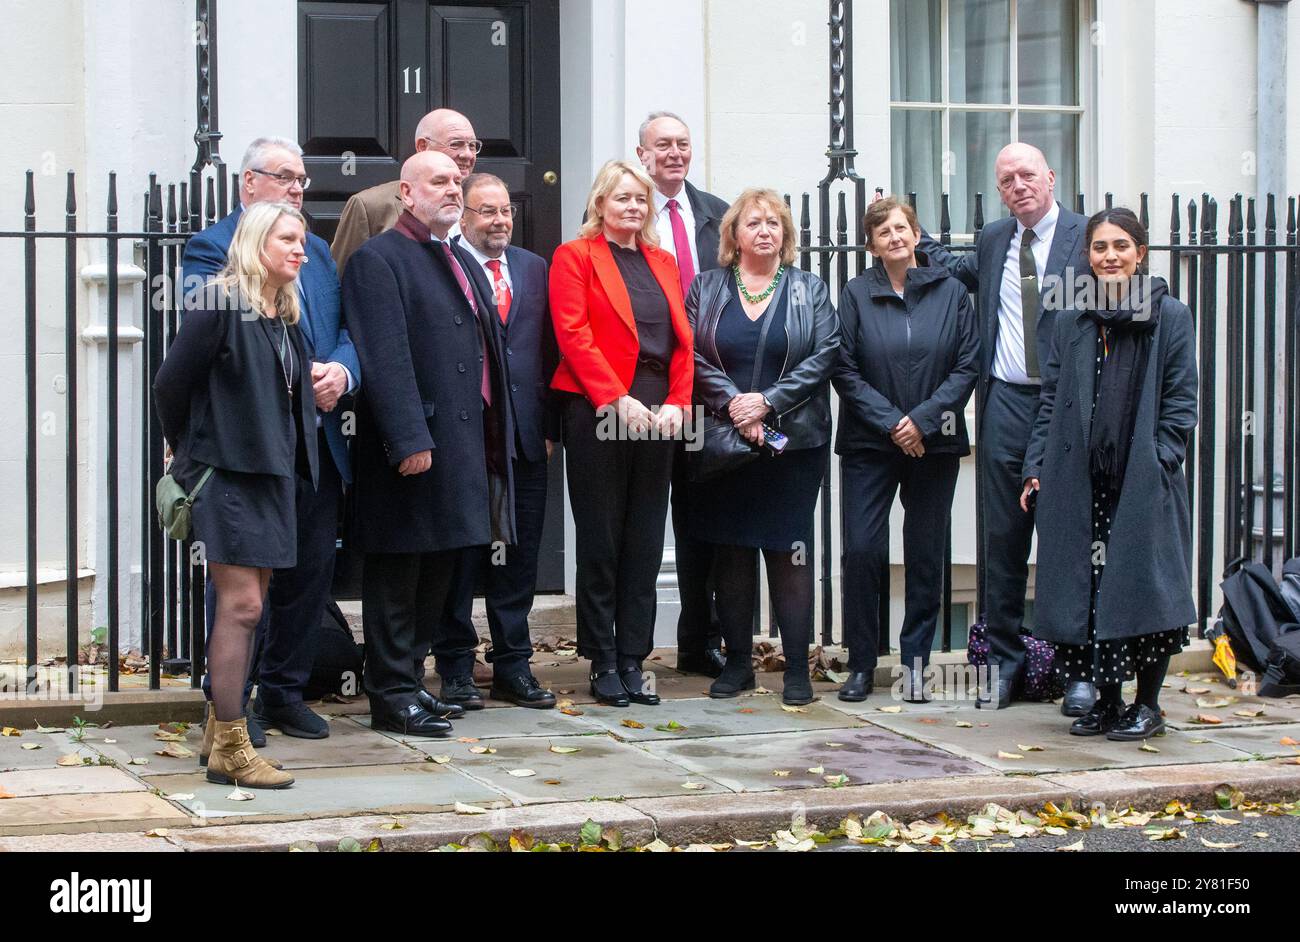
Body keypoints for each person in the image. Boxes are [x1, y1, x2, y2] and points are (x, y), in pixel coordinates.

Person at [181, 136, 360, 747]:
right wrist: (185, 450)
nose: (297, 189)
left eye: (303, 180)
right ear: (248, 183)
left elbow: (341, 329)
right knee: (242, 593)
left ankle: (286, 691)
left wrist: (340, 369)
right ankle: (232, 705)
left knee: (309, 573)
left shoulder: (316, 251)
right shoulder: (216, 251)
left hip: (313, 447)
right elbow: (187, 367)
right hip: (247, 452)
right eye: (284, 177)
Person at [342, 151, 516, 737]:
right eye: (438, 181)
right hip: (413, 449)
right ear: (406, 194)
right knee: (398, 575)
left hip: (462, 446)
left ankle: (412, 684)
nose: (452, 189)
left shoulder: (455, 257)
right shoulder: (378, 259)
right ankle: (389, 692)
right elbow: (384, 357)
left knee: (439, 570)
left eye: (456, 181)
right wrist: (408, 437)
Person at [919, 143, 1096, 714]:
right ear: (999, 190)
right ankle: (1003, 666)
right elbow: (956, 268)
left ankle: (1076, 670)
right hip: (1005, 404)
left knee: (1066, 540)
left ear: (1051, 176)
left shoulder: (1084, 236)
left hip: (1066, 406)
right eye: (1006, 179)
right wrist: (910, 233)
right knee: (1002, 540)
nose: (1018, 185)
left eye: (1027, 175)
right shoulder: (998, 239)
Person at [155, 202, 319, 788]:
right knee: (243, 607)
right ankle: (230, 744)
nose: (301, 249)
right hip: (225, 476)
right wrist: (186, 451)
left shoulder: (282, 313)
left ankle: (216, 730)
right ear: (256, 242)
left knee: (254, 608)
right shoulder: (220, 302)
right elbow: (170, 383)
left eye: (302, 240)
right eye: (288, 239)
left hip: (270, 478)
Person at [1022, 208, 1197, 740]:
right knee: (1090, 591)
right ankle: (1106, 700)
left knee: (1143, 587)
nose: (1110, 256)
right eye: (1100, 247)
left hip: (1141, 480)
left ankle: (1147, 705)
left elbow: (1181, 400)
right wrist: (1037, 467)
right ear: (1089, 257)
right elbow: (1051, 400)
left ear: (1140, 252)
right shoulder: (1075, 320)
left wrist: (1162, 457)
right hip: (1080, 479)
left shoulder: (1169, 316)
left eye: (1121, 245)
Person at [686, 188, 840, 707]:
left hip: (792, 444)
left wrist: (767, 404)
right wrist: (735, 404)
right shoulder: (706, 288)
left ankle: (797, 669)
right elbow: (690, 353)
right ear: (734, 235)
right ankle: (737, 665)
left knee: (787, 552)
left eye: (775, 223)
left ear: (786, 236)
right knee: (730, 552)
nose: (765, 230)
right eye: (754, 222)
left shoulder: (808, 289)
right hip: (725, 441)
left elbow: (823, 356)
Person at [550, 159, 694, 707]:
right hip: (598, 408)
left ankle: (635, 658)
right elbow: (572, 332)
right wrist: (615, 397)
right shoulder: (575, 256)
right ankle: (602, 659)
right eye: (622, 198)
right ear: (600, 205)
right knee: (603, 537)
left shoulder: (663, 261)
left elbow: (684, 344)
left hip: (659, 412)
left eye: (640, 199)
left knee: (645, 538)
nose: (633, 207)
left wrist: (680, 403)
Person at [833, 197, 979, 703]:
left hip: (933, 444)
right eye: (883, 232)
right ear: (872, 244)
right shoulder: (855, 294)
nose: (894, 237)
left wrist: (919, 422)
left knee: (924, 553)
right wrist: (894, 423)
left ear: (916, 235)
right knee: (864, 550)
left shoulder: (953, 292)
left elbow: (967, 366)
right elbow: (843, 368)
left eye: (901, 228)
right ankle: (860, 662)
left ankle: (915, 664)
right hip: (868, 444)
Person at [432, 172, 558, 709]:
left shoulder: (534, 267)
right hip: (468, 439)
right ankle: (456, 668)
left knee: (520, 557)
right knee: (461, 556)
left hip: (526, 438)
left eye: (504, 210)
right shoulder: (446, 266)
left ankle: (514, 665)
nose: (499, 220)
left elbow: (549, 350)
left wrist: (549, 427)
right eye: (486, 211)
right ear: (463, 218)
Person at [636, 111, 731, 678]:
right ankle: (628, 649)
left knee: (702, 520)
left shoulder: (716, 215)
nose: (674, 153)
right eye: (662, 145)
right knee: (642, 519)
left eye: (682, 144)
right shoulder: (625, 206)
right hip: (644, 392)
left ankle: (700, 640)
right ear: (642, 154)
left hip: (706, 389)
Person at [331, 108, 480, 275]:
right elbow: (342, 278)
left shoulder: (486, 206)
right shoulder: (370, 206)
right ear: (423, 146)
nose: (468, 154)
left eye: (473, 146)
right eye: (456, 144)